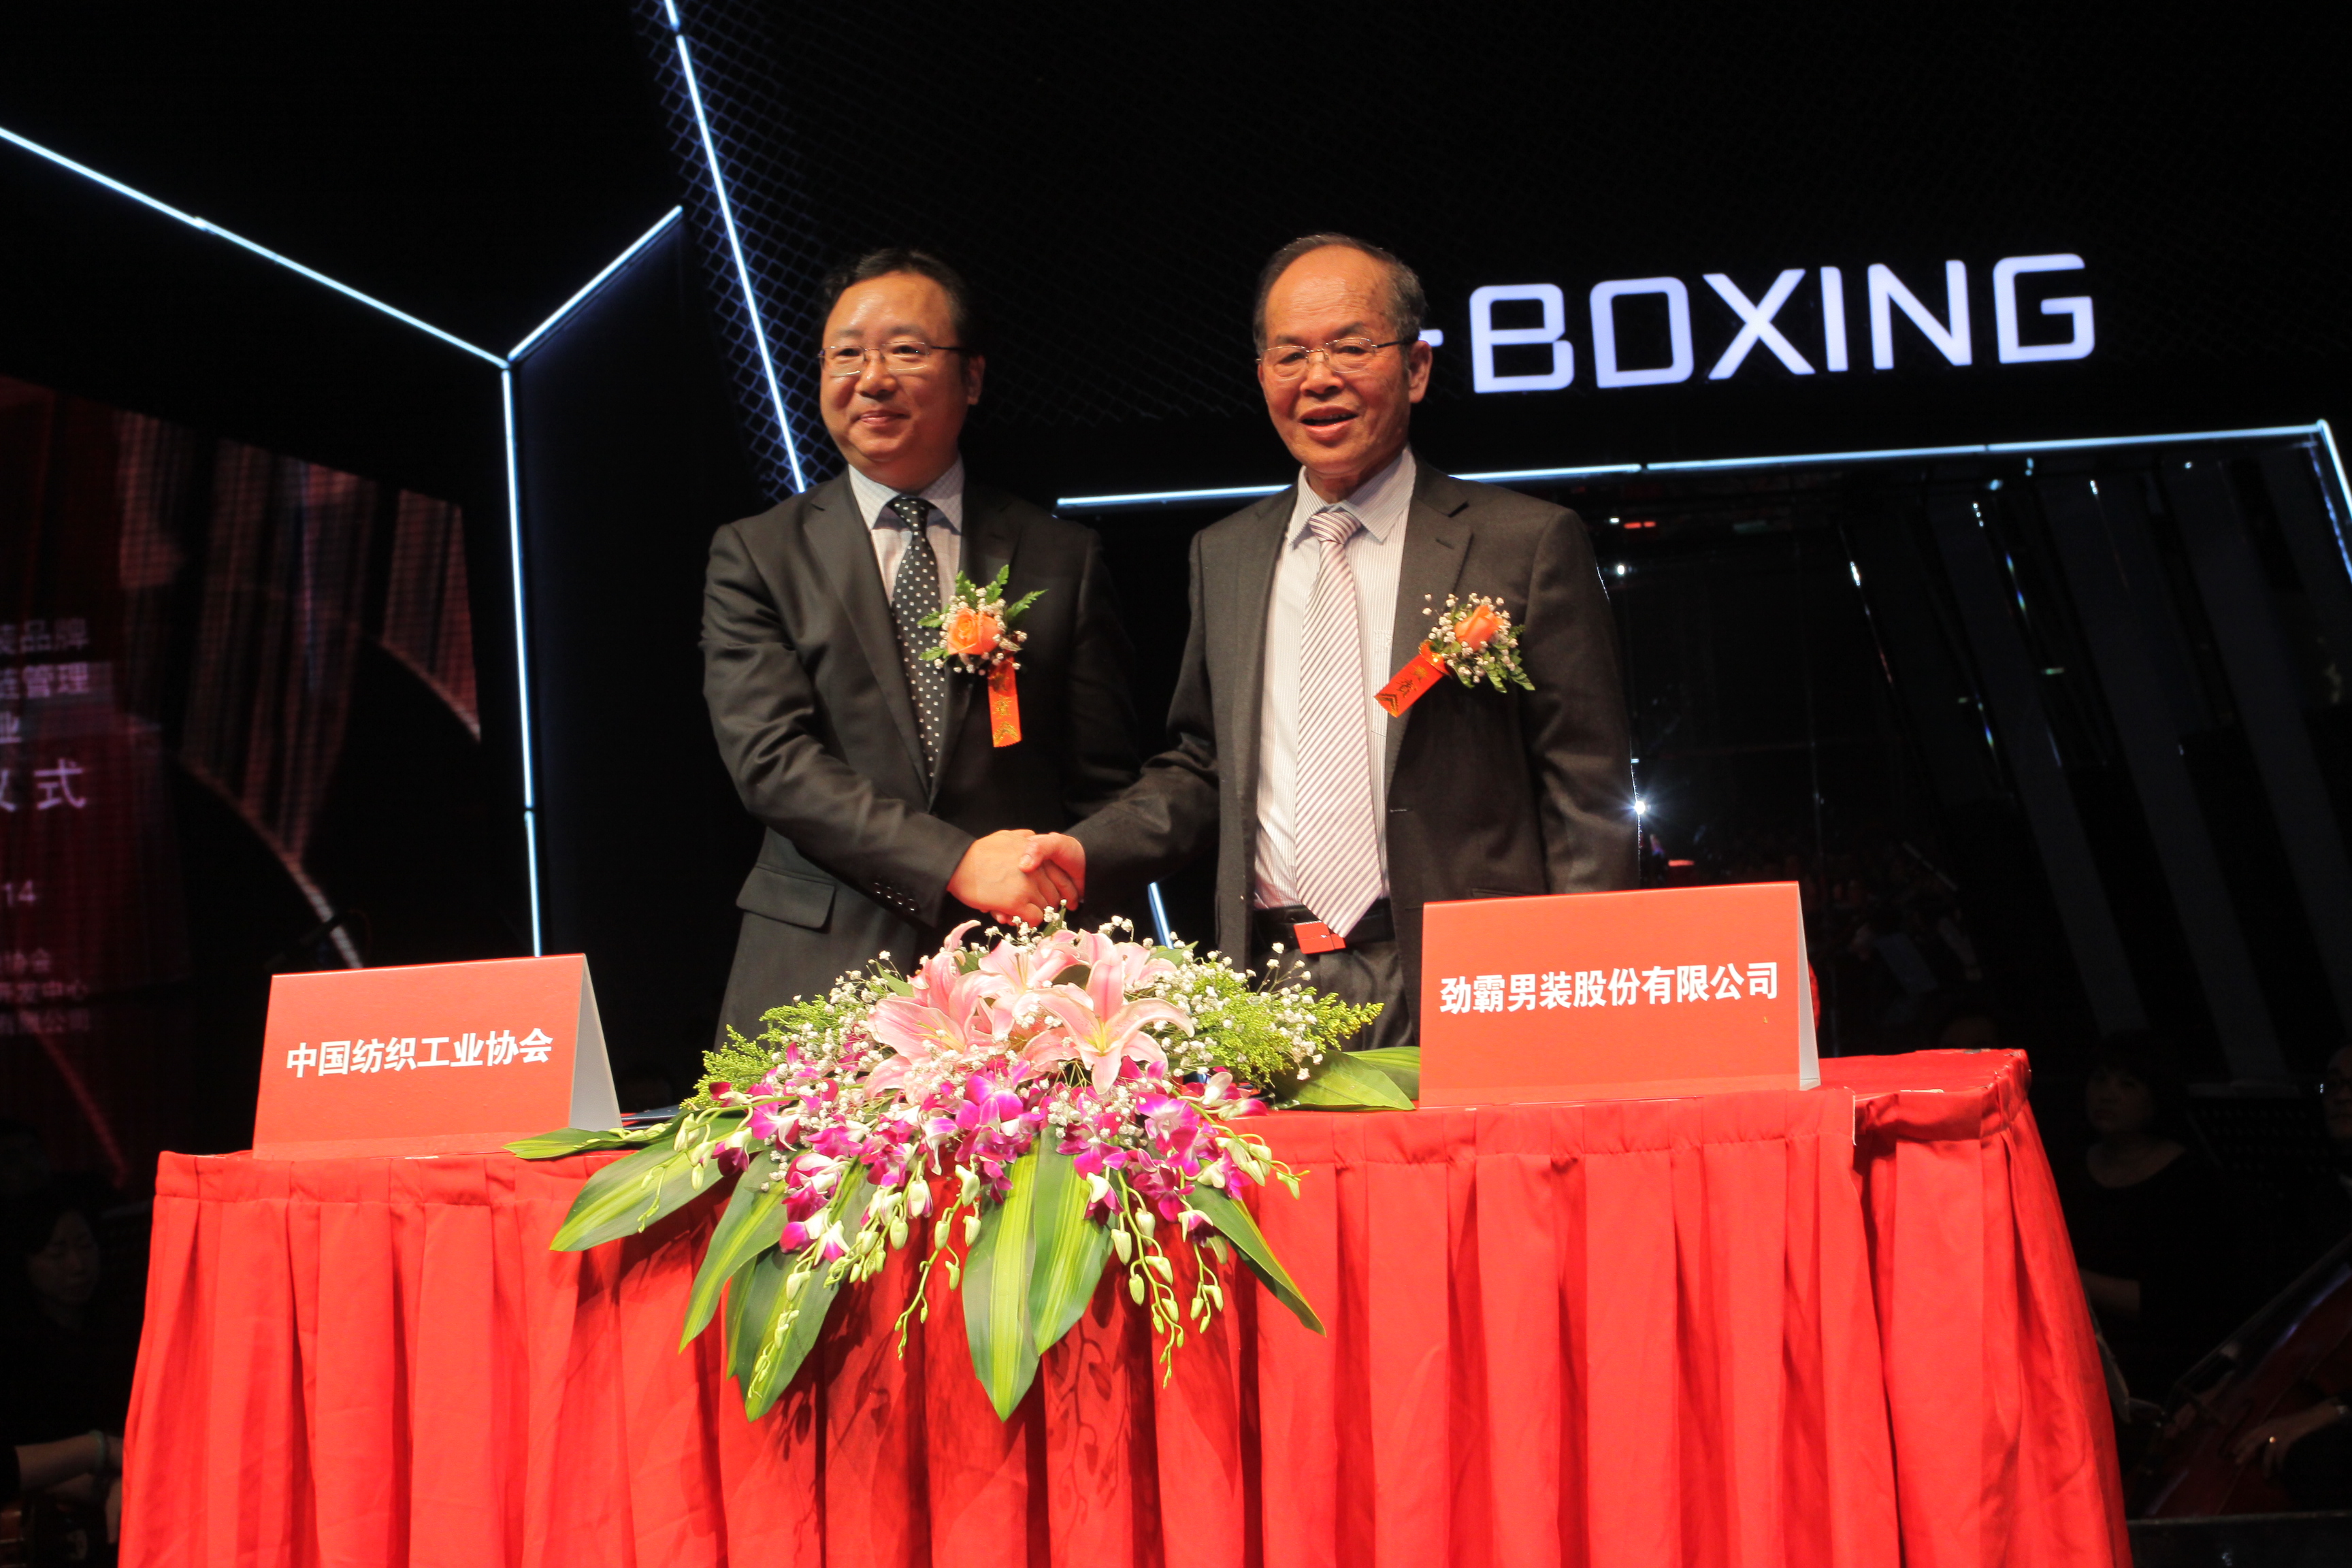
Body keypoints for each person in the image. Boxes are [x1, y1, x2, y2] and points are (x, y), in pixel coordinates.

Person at [1028, 235, 1634, 1047]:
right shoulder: (1226, 555)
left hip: (1475, 977)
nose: (1318, 378)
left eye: (1351, 347)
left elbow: (1585, 793)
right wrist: (1081, 850)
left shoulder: (1522, 543)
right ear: (1262, 376)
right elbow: (1205, 765)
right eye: (1291, 355)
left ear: (1416, 368)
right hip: (1274, 984)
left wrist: (1583, 987)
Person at [702, 248, 1139, 1036]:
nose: (872, 379)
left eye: (905, 350)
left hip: (1019, 978)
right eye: (846, 355)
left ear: (971, 377)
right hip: (816, 969)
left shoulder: (1059, 556)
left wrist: (1097, 959)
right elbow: (770, 761)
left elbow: (1100, 787)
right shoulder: (758, 554)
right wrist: (954, 863)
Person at [2053, 1033, 2240, 1401]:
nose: (2106, 1095)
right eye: (2100, 1080)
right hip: (2072, 1348)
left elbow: (2175, 1303)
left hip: (2156, 1363)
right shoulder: (2068, 1167)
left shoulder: (2190, 1181)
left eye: (2127, 1084)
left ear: (2156, 1098)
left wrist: (2068, 1276)